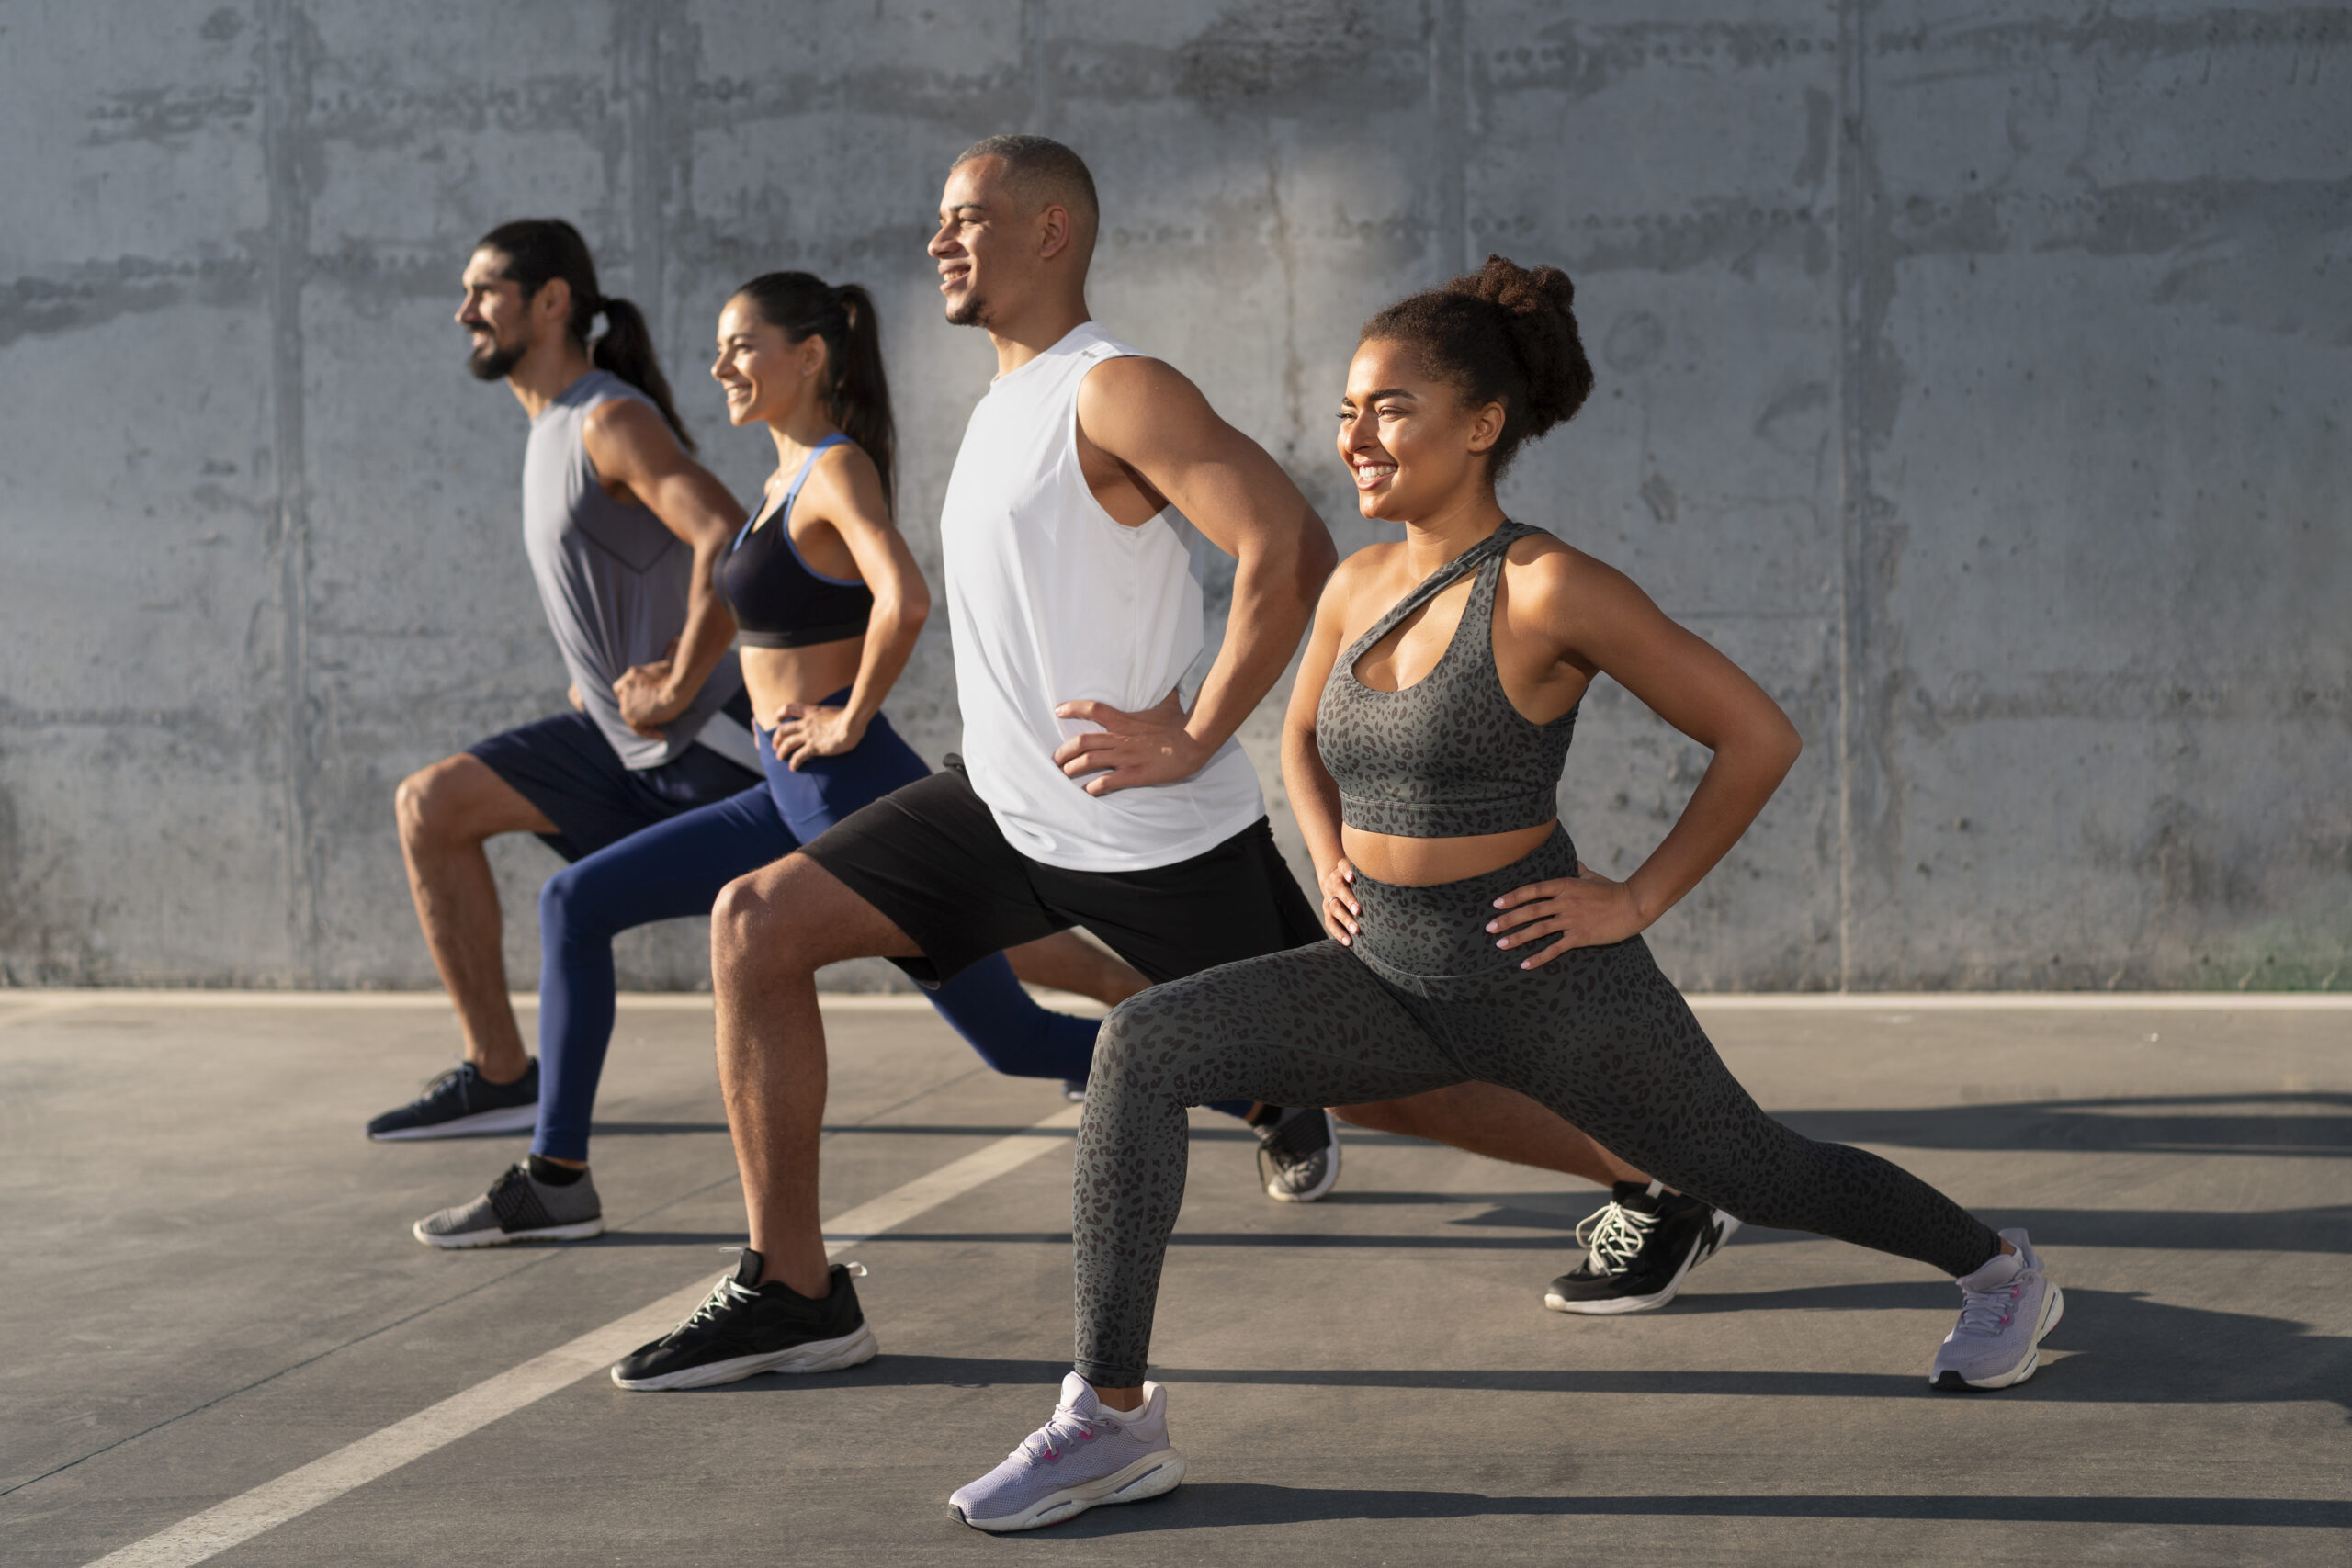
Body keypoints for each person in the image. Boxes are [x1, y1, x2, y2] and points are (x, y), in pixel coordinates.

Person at [949, 257, 2065, 1531]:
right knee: (1147, 1041)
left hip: (1549, 984)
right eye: (1349, 409)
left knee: (1759, 1167)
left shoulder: (1546, 586)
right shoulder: (1355, 582)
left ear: (1481, 424)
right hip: (1388, 977)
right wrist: (1331, 858)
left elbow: (1758, 732)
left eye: (1392, 407)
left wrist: (1633, 899)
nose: (1355, 435)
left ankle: (1998, 1267)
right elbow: (1301, 739)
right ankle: (1111, 1412)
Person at [606, 136, 1711, 1395]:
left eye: (968, 217)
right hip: (1003, 809)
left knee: (1390, 1086)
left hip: (1156, 835)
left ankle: (1662, 1169)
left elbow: (1283, 543)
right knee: (757, 921)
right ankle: (793, 1287)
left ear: (1051, 232)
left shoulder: (1113, 387)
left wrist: (1193, 730)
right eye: (938, 218)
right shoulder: (1001, 403)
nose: (937, 239)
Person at [407, 271, 1169, 1251]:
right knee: (576, 903)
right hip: (787, 792)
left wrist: (852, 716)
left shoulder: (837, 468)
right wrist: (658, 683)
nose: (721, 364)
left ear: (807, 357)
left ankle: (1259, 1090)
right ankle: (557, 1176)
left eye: (741, 345)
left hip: (858, 802)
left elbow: (905, 597)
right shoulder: (780, 479)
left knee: (1017, 1044)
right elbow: (746, 601)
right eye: (720, 347)